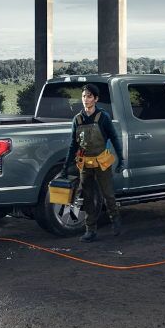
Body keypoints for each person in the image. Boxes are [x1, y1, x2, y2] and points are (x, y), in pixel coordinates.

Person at [63, 83, 125, 242]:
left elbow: (114, 138)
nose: (85, 99)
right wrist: (66, 165)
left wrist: (121, 159)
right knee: (87, 197)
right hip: (85, 164)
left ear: (96, 99)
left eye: (89, 96)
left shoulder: (103, 117)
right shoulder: (77, 119)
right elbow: (73, 144)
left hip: (102, 162)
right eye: (84, 96)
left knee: (108, 195)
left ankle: (115, 219)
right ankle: (90, 230)